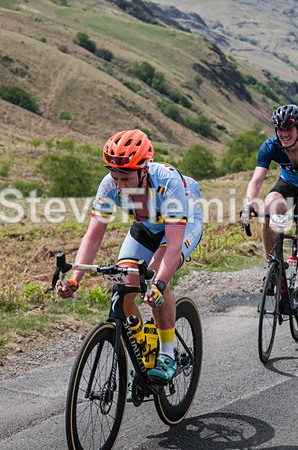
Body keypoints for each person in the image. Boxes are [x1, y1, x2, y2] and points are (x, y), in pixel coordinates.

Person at [56, 129, 203, 382]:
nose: (119, 186)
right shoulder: (108, 185)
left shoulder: (168, 184)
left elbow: (174, 246)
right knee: (123, 284)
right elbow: (93, 236)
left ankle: (166, 353)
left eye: (126, 178)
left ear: (144, 171)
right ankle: (143, 345)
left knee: (156, 274)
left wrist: (157, 284)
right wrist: (75, 278)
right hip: (146, 227)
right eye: (115, 177)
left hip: (183, 225)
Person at [240, 104, 298, 331]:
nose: (284, 133)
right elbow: (256, 180)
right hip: (287, 188)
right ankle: (272, 266)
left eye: (289, 128)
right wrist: (248, 204)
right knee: (270, 212)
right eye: (279, 129)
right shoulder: (271, 146)